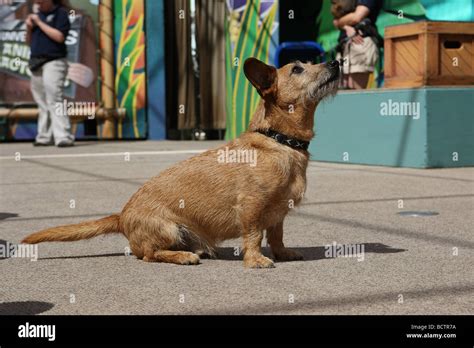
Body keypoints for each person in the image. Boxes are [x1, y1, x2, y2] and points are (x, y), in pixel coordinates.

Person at [26, 0, 74, 147]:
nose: (38, 4)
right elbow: (28, 42)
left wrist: (40, 23)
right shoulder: (36, 15)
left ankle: (63, 136)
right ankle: (44, 136)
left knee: (54, 97)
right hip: (36, 61)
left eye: (40, 1)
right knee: (41, 101)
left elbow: (60, 37)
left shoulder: (60, 14)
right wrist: (29, 28)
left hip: (54, 60)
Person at [333, 0, 382, 89]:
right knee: (340, 91)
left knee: (356, 92)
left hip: (360, 43)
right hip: (344, 45)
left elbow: (357, 17)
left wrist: (341, 22)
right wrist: (345, 26)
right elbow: (335, 21)